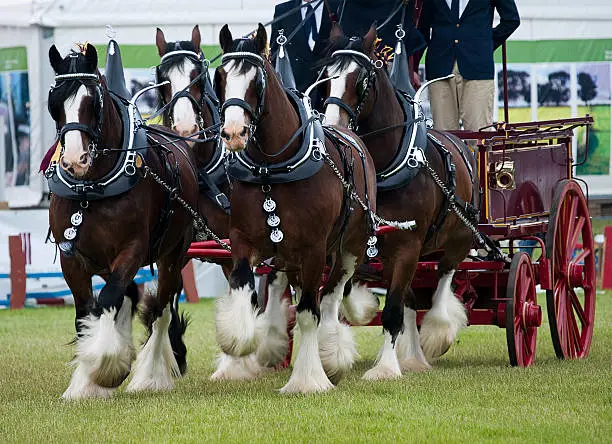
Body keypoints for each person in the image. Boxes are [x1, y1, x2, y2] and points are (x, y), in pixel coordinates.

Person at [418, 0, 520, 131]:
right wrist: (413, 66)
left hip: (477, 69)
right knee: (444, 135)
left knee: (479, 134)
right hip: (439, 67)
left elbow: (511, 20)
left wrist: (486, 44)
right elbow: (422, 28)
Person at [270, 0, 334, 93]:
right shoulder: (283, 10)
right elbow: (275, 53)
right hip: (295, 93)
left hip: (328, 92)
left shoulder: (336, 8)